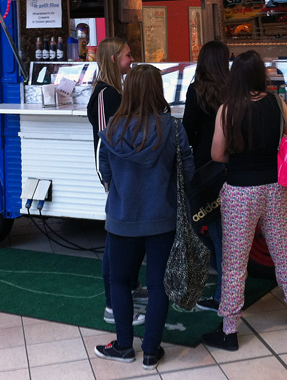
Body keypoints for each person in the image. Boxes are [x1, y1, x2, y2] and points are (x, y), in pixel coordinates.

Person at [202, 50, 287, 352]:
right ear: (261, 75)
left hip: (239, 191)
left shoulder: (227, 109)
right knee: (285, 251)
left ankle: (230, 330)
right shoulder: (277, 103)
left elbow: (216, 154)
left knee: (235, 262)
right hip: (275, 187)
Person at [95, 64, 194, 371]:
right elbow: (187, 172)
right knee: (158, 286)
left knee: (120, 282)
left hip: (122, 219)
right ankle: (151, 351)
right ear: (157, 90)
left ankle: (124, 346)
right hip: (162, 218)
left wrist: (125, 192)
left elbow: (106, 174)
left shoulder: (111, 128)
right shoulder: (173, 128)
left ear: (128, 90)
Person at [85, 38, 145, 327]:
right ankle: (113, 303)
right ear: (112, 59)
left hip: (125, 173)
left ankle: (130, 287)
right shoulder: (104, 95)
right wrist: (112, 179)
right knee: (116, 238)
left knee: (127, 235)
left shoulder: (116, 90)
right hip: (116, 175)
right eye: (127, 55)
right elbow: (105, 140)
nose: (132, 59)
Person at [181, 40, 229, 312]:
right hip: (231, 167)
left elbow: (187, 130)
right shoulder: (235, 90)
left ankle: (224, 293)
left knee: (205, 225)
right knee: (221, 230)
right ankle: (228, 279)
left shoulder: (196, 90)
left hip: (203, 169)